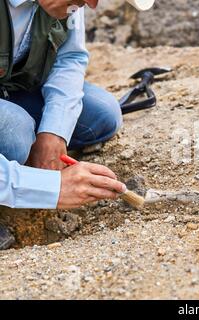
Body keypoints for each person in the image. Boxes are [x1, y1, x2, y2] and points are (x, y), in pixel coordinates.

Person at [0, 0, 126, 249]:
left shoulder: (73, 2)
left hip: (15, 88)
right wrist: (51, 188)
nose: (91, 5)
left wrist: (54, 131)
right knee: (15, 133)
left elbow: (70, 58)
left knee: (102, 114)